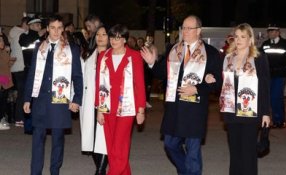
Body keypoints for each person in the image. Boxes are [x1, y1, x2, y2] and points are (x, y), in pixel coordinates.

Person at [141, 15, 222, 175]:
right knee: (170, 145)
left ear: (198, 31)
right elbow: (162, 73)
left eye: (189, 28)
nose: (184, 31)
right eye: (183, 27)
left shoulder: (210, 53)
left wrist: (198, 88)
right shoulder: (174, 49)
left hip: (194, 109)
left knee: (193, 153)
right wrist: (152, 63)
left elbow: (218, 82)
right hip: (175, 107)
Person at [23, 15, 83, 175]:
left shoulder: (72, 49)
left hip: (60, 101)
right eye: (53, 27)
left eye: (59, 28)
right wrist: (27, 98)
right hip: (41, 100)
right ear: (47, 29)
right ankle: (35, 172)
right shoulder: (39, 48)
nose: (56, 31)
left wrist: (77, 99)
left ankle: (54, 171)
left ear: (63, 29)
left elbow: (78, 76)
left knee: (57, 140)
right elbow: (32, 73)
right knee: (37, 140)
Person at [208, 23, 271, 175]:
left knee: (248, 154)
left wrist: (266, 113)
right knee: (235, 153)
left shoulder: (259, 58)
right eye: (236, 36)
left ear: (250, 39)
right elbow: (222, 83)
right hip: (231, 112)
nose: (239, 39)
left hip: (250, 112)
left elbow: (264, 87)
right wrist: (212, 79)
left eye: (243, 36)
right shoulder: (227, 58)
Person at [95, 24, 146, 175]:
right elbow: (98, 83)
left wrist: (141, 110)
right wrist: (99, 109)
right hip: (107, 106)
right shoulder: (103, 56)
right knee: (112, 148)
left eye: (118, 37)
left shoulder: (134, 56)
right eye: (112, 37)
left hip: (127, 107)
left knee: (118, 146)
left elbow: (140, 84)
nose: (114, 40)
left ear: (124, 39)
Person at [80, 26, 109, 175]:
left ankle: (100, 170)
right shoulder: (89, 55)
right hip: (89, 101)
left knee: (103, 138)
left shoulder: (112, 55)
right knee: (92, 136)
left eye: (104, 34)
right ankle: (100, 168)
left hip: (106, 102)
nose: (100, 37)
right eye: (98, 34)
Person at [260, 24, 286, 128]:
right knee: (272, 98)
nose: (270, 33)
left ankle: (278, 120)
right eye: (269, 31)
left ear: (278, 32)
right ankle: (277, 120)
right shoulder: (265, 44)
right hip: (268, 75)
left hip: (280, 74)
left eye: (273, 31)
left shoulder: (285, 44)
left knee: (275, 97)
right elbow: (260, 58)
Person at [19, 17, 47, 134]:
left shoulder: (44, 38)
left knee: (41, 98)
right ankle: (29, 127)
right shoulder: (24, 36)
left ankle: (41, 124)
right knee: (29, 97)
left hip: (42, 70)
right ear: (30, 26)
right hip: (30, 69)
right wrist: (37, 35)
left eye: (40, 25)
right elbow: (24, 43)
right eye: (36, 25)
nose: (39, 27)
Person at [8, 16, 30, 127]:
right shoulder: (22, 34)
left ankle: (18, 117)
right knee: (22, 94)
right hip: (21, 67)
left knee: (19, 93)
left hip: (14, 68)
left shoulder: (13, 33)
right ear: (25, 24)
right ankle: (19, 118)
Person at [0, 34, 15, 130]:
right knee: (1, 98)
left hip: (4, 76)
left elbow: (7, 65)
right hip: (1, 77)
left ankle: (2, 118)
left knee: (3, 98)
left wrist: (11, 61)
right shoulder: (3, 51)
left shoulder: (4, 51)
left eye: (2, 41)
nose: (1, 43)